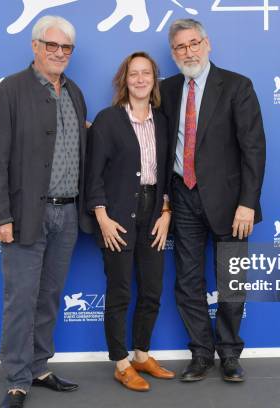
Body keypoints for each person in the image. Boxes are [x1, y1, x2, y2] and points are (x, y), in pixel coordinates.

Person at [0, 15, 92, 408]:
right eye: (52, 46)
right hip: (26, 215)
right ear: (35, 46)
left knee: (49, 297)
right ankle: (17, 378)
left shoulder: (75, 93)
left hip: (67, 216)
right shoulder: (10, 91)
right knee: (20, 299)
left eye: (66, 48)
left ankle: (40, 366)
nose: (59, 53)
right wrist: (0, 217)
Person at [160, 19, 266, 383]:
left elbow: (253, 148)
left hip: (231, 202)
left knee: (231, 280)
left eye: (193, 44)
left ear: (207, 44)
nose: (188, 52)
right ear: (173, 53)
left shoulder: (237, 86)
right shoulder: (168, 89)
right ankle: (201, 354)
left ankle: (231, 355)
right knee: (187, 281)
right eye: (180, 47)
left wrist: (248, 203)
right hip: (183, 196)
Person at [86, 52, 175, 392]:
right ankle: (121, 363)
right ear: (124, 80)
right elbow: (93, 175)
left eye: (146, 73)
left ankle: (141, 354)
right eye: (133, 74)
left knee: (152, 289)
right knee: (120, 290)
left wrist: (166, 213)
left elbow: (167, 173)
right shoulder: (108, 120)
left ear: (154, 80)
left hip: (154, 212)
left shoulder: (163, 121)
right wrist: (102, 218)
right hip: (117, 214)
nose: (140, 79)